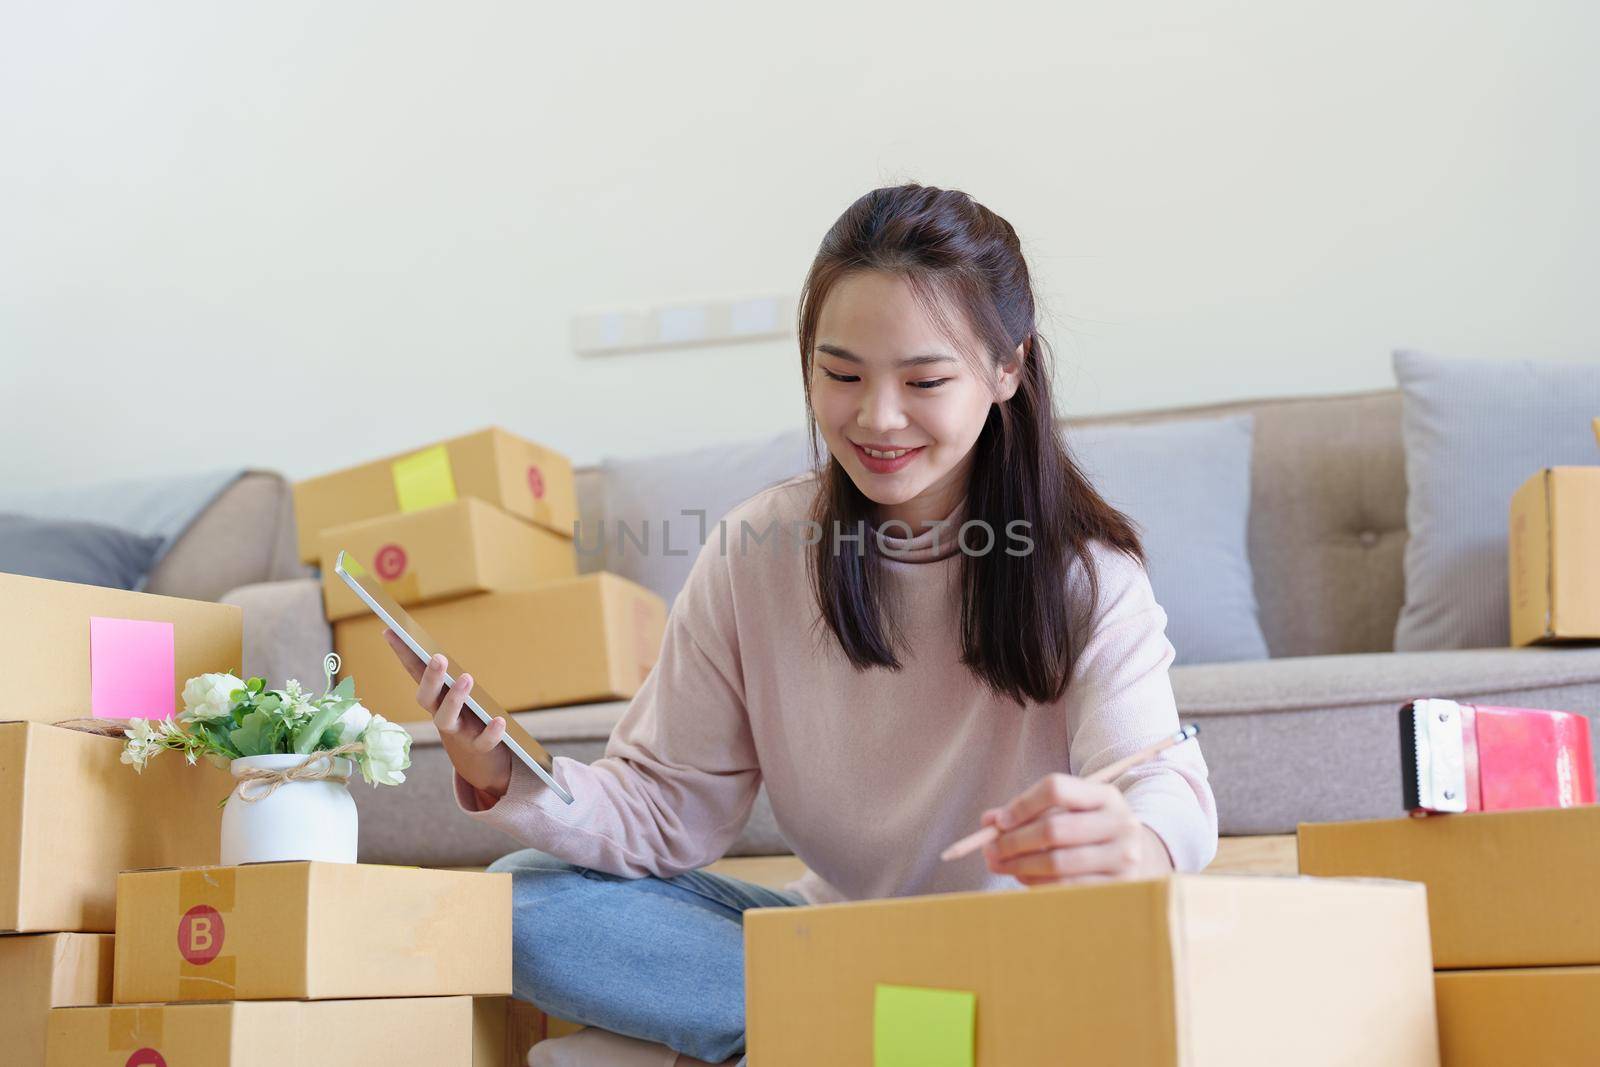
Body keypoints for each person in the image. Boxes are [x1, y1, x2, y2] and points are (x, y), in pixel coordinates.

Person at [383, 183, 1218, 1067]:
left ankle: (812, 1039)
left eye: (925, 380)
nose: (877, 417)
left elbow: (1160, 780)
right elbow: (665, 804)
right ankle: (895, 1041)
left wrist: (1136, 837)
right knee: (525, 905)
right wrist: (509, 773)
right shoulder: (757, 551)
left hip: (1004, 948)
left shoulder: (1084, 574)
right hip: (832, 941)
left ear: (1007, 370)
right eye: (842, 374)